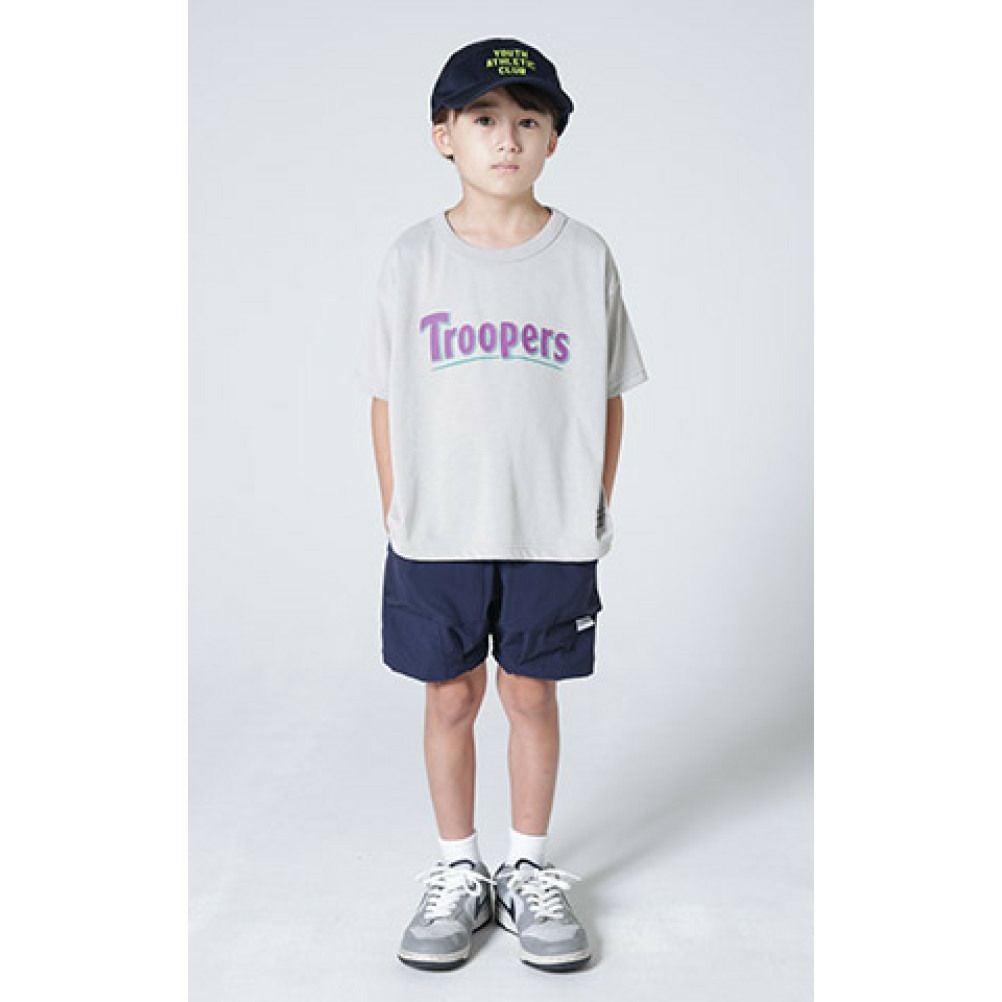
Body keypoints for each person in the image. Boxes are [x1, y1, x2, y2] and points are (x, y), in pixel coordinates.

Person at [361, 37, 649, 972]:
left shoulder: (585, 256)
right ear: (443, 134)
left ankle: (527, 868)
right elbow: (387, 396)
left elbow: (608, 393)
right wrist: (398, 508)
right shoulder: (413, 259)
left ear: (554, 139)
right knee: (451, 694)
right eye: (483, 118)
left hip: (548, 528)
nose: (507, 138)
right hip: (437, 527)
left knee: (531, 692)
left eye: (528, 120)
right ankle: (459, 869)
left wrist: (591, 503)